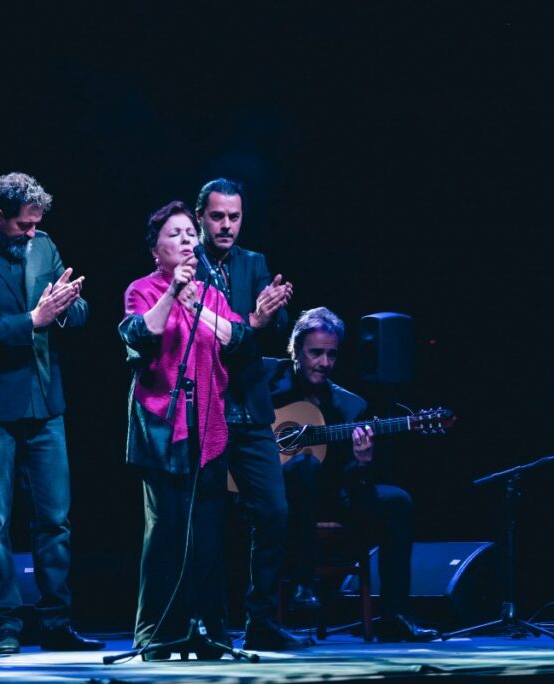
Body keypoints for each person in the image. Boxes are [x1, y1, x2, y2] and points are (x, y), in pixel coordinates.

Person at [0, 172, 103, 654]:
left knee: (55, 520)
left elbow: (75, 311)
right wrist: (33, 319)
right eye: (24, 225)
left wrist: (69, 307)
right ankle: (4, 624)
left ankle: (57, 623)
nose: (32, 232)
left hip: (44, 402)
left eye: (36, 224)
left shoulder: (43, 246)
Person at [119, 201, 254, 660]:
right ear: (155, 249)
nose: (185, 240)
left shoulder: (212, 293)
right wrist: (174, 293)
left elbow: (239, 341)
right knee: (166, 531)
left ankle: (210, 632)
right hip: (160, 424)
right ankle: (156, 634)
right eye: (174, 234)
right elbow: (140, 335)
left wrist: (199, 305)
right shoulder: (141, 289)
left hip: (208, 423)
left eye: (189, 234)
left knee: (207, 534)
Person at [267, 307, 439, 642]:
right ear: (296, 350)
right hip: (279, 498)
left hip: (331, 494)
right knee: (303, 467)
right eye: (316, 353)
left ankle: (395, 614)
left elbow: (351, 479)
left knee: (397, 502)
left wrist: (362, 462)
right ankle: (303, 583)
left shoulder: (350, 406)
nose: (324, 362)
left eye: (332, 354)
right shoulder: (269, 382)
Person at [193, 178, 309, 650]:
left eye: (234, 217)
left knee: (274, 511)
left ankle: (260, 619)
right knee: (208, 521)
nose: (226, 225)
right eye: (218, 216)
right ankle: (211, 624)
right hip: (208, 409)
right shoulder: (187, 265)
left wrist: (272, 308)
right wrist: (253, 320)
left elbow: (273, 325)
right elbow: (214, 335)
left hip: (251, 409)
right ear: (201, 217)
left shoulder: (253, 262)